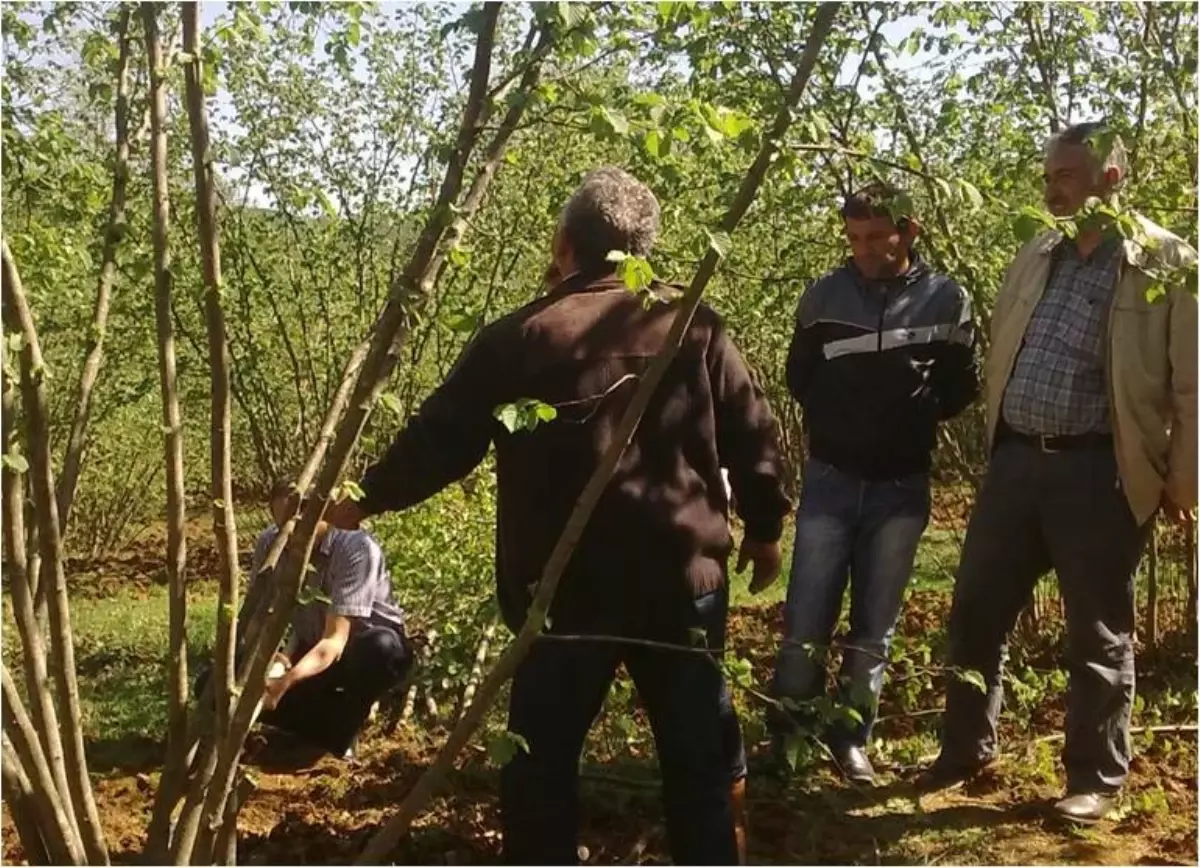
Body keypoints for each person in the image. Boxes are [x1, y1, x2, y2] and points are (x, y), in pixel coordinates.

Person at [326, 166, 792, 865]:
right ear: (644, 251)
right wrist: (763, 529)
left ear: (564, 243)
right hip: (681, 583)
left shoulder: (519, 338)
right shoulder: (693, 327)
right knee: (699, 759)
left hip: (561, 596)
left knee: (540, 771)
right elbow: (753, 433)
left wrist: (365, 498)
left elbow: (439, 441)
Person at [920, 121, 1197, 824]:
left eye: (1064, 175)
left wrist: (1183, 480)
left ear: (1110, 177)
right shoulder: (1038, 250)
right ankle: (964, 748)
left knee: (1097, 634)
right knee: (976, 611)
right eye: (1048, 175)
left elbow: (1193, 386)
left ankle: (1095, 779)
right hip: (1015, 463)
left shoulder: (1167, 262)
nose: (1050, 187)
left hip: (1099, 474)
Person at [771, 183, 979, 784]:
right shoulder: (824, 296)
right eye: (853, 238)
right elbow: (800, 375)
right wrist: (842, 422)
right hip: (831, 480)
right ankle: (788, 736)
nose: (861, 249)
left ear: (907, 231)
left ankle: (851, 738)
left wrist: (912, 416)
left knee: (874, 626)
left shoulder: (945, 298)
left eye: (874, 238)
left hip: (901, 487)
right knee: (806, 615)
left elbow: (960, 383)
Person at [239, 478, 413, 760]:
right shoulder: (270, 544)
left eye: (300, 522)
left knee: (378, 648)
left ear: (323, 514)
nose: (292, 535)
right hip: (312, 652)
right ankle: (314, 727)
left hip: (359, 651)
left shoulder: (356, 548)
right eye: (283, 525)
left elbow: (334, 641)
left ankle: (341, 732)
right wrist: (268, 657)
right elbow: (257, 617)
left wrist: (287, 682)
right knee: (217, 680)